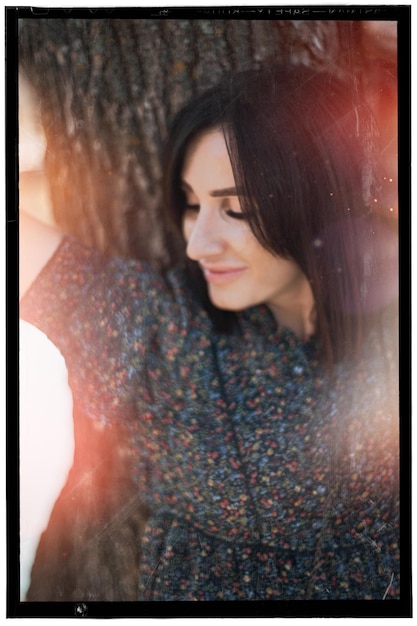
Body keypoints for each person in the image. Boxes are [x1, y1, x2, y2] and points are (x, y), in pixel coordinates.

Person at [19, 65, 399, 601]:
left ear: (320, 196)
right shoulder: (164, 330)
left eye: (235, 208)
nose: (197, 244)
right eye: (192, 204)